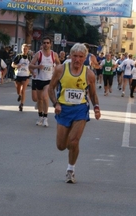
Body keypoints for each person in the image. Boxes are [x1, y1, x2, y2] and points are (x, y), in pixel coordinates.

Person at [47, 43, 101, 183]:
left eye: (81, 57)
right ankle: (71, 149)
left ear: (85, 58)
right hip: (63, 109)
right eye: (75, 56)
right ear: (70, 56)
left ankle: (70, 170)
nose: (77, 59)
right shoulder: (60, 70)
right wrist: (56, 103)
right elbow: (51, 89)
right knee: (61, 146)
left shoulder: (89, 74)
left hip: (80, 110)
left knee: (74, 141)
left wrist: (96, 107)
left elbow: (93, 94)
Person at [29, 37, 60, 127]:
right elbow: (30, 65)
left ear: (50, 44)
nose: (46, 44)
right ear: (42, 44)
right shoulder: (38, 54)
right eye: (44, 43)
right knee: (39, 99)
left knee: (45, 97)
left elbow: (59, 64)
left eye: (47, 43)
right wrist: (37, 67)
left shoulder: (54, 54)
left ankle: (46, 118)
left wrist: (57, 71)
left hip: (49, 80)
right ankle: (40, 117)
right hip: (39, 79)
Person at [12, 44, 32, 112]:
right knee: (18, 90)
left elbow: (32, 65)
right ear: (21, 49)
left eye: (26, 49)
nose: (25, 50)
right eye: (24, 48)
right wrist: (17, 65)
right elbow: (12, 64)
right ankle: (19, 95)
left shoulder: (29, 57)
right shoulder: (18, 56)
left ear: (28, 50)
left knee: (23, 90)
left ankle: (22, 104)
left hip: (26, 75)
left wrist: (33, 72)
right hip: (18, 74)